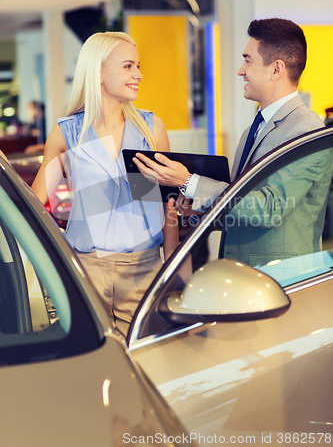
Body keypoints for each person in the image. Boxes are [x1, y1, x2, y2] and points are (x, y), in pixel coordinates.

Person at [133, 18, 331, 266]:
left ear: (276, 69)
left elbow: (268, 209)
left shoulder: (307, 130)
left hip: (281, 280)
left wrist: (188, 181)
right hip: (243, 275)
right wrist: (199, 208)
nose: (240, 70)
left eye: (248, 60)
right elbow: (243, 209)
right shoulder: (254, 128)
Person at [31, 31, 178, 336]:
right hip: (86, 270)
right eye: (128, 66)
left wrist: (172, 267)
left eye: (138, 66)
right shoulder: (67, 133)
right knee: (88, 367)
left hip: (144, 269)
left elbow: (167, 205)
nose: (138, 74)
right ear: (98, 71)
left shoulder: (151, 128)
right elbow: (34, 205)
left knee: (143, 367)